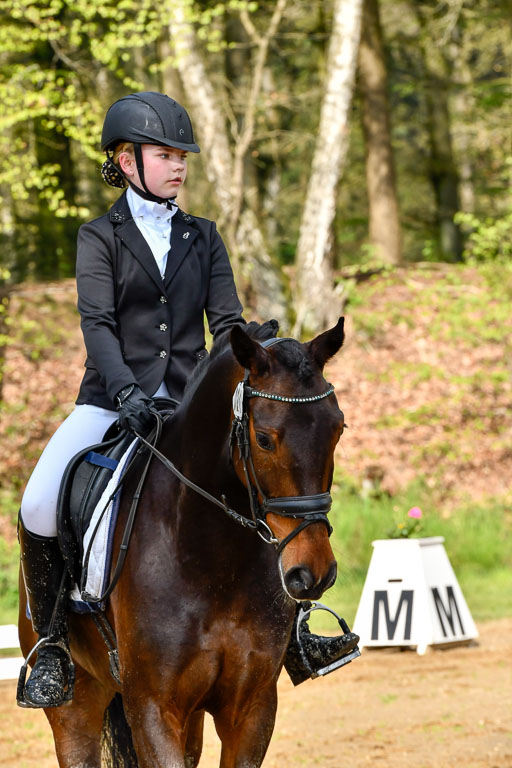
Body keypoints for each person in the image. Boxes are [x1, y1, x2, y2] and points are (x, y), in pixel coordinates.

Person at [18, 91, 358, 709]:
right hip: (109, 401)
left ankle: (294, 633)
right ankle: (52, 646)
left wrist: (262, 341)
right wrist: (124, 392)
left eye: (182, 156)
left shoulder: (203, 236)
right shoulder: (99, 237)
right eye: (165, 155)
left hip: (190, 406)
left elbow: (225, 320)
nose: (178, 166)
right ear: (126, 162)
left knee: (259, 484)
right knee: (40, 500)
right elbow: (98, 324)